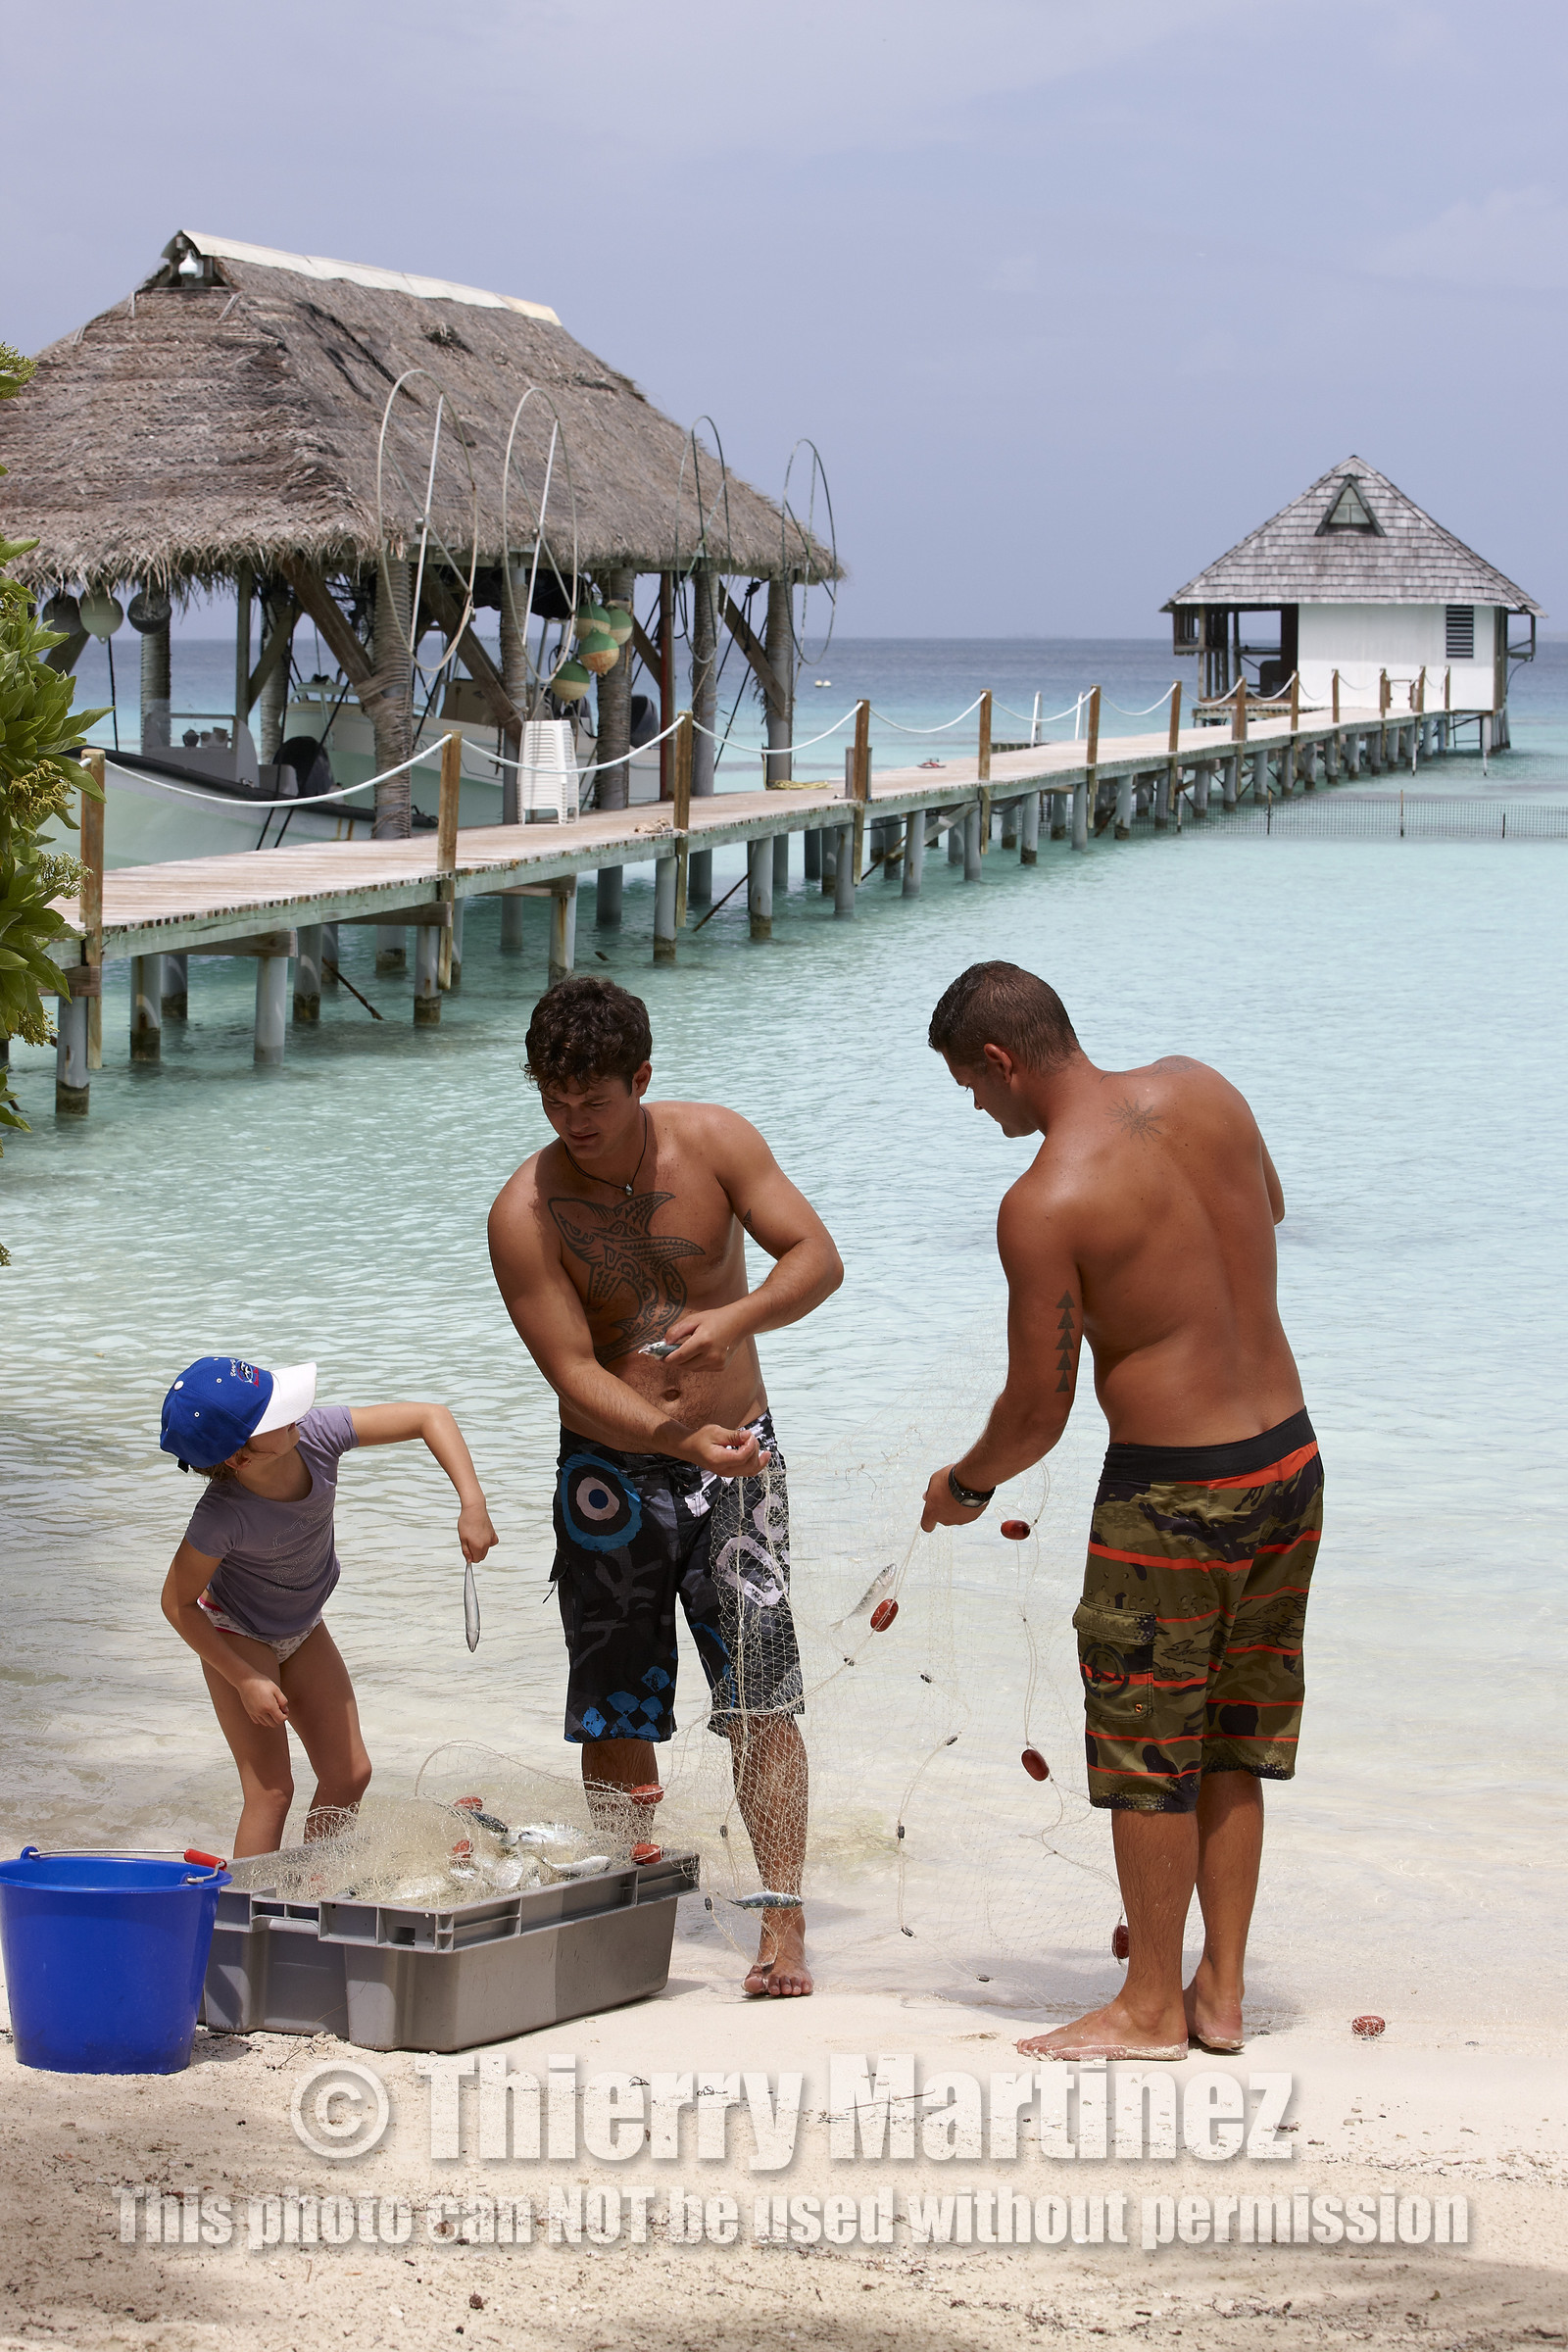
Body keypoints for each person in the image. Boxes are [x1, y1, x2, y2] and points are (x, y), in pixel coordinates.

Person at [919, 961, 1320, 2061]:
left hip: (1173, 1495)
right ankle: (1219, 1994)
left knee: (1151, 1751)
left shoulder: (1044, 1200)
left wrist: (964, 1485)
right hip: (1287, 1464)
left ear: (1001, 1061)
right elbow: (1271, 1210)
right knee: (1233, 1735)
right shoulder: (1205, 1089)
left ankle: (1147, 2007)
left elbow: (1037, 1413)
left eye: (970, 1087)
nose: (977, 1110)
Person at [487, 976, 843, 1998]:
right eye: (553, 1103)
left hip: (740, 1459)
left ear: (641, 1078)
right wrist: (673, 1438)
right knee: (617, 1712)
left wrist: (735, 1322)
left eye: (592, 1101)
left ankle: (781, 1925)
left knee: (762, 1698)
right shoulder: (524, 1212)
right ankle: (627, 1916)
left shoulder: (718, 1142)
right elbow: (573, 1375)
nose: (572, 1123)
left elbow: (816, 1260)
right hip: (607, 1476)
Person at [160, 1357, 497, 1858]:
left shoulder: (315, 1434)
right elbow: (177, 1604)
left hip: (302, 1626)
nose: (296, 1410)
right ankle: (246, 1914)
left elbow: (431, 1416)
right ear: (240, 1458)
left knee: (351, 1774)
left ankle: (314, 1886)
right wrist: (244, 1679)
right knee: (272, 1793)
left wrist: (473, 1503)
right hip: (236, 1633)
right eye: (275, 1413)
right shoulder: (221, 1516)